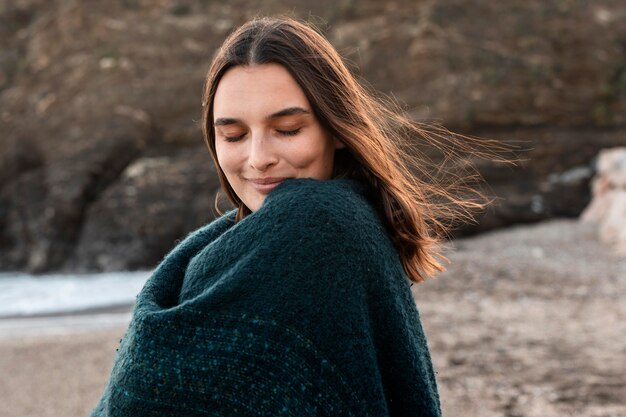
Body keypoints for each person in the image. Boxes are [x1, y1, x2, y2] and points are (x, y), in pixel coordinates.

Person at [91, 16, 499, 417]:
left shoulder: (320, 224)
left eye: (287, 129)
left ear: (337, 129)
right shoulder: (223, 246)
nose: (258, 159)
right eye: (233, 135)